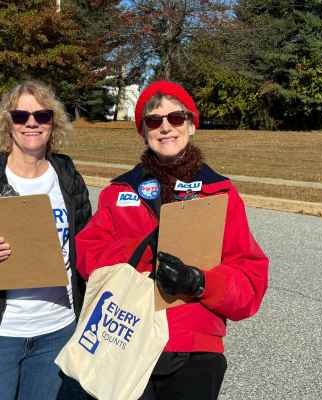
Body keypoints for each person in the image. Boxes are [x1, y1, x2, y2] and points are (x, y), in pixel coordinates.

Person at [74, 80, 269, 400]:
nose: (166, 127)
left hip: (193, 347)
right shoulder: (120, 191)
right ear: (142, 130)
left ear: (192, 125)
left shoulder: (221, 193)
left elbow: (250, 282)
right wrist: (136, 260)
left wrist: (201, 281)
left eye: (176, 118)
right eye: (154, 120)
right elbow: (87, 252)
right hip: (127, 336)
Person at [0, 80, 92, 400]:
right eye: (21, 116)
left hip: (57, 330)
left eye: (42, 115)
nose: (32, 123)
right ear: (8, 123)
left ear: (54, 122)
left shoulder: (66, 174)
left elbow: (87, 242)